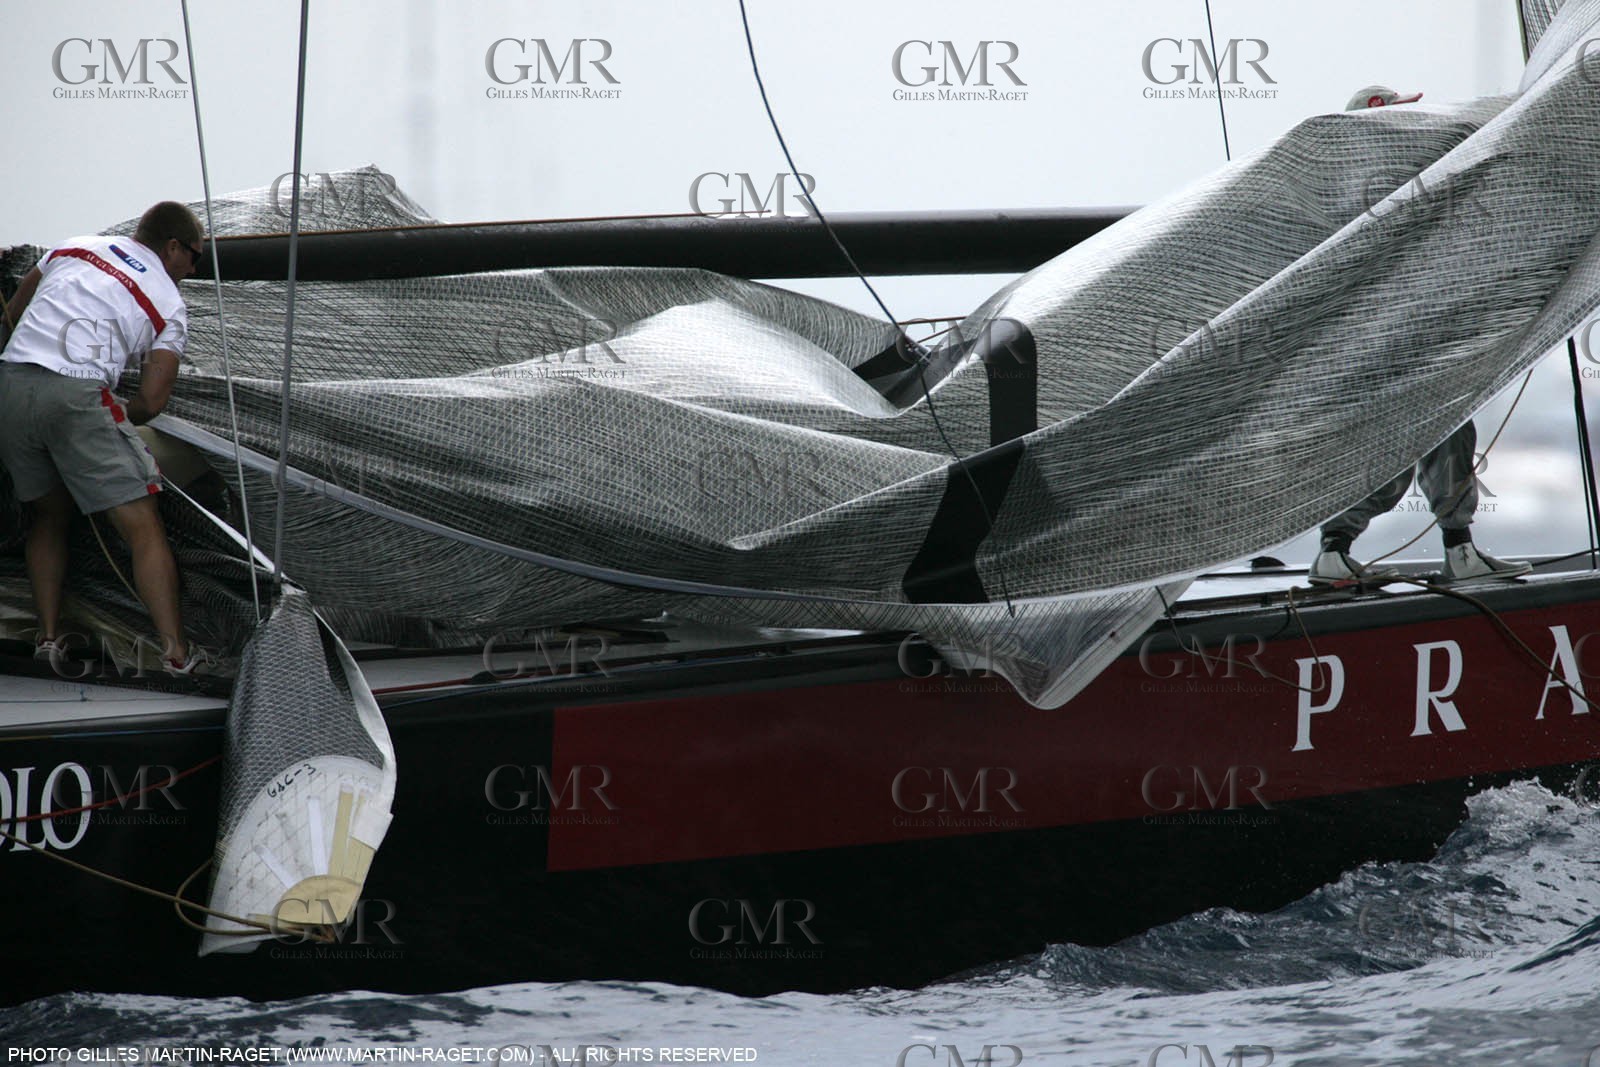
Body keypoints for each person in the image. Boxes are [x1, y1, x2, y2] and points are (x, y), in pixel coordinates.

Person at [1309, 86, 1532, 586]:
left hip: (1388, 344)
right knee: (1426, 441)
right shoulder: (1374, 185)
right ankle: (1450, 553)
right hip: (1390, 345)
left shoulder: (1359, 185)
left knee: (1424, 442)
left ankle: (1341, 552)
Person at [0, 201, 210, 673]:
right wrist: (112, 412)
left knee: (48, 516)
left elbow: (12, 315)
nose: (193, 271)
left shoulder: (74, 245)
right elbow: (153, 402)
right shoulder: (169, 303)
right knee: (142, 525)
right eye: (196, 258)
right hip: (77, 395)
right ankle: (176, 653)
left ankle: (49, 639)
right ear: (173, 247)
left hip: (11, 387)